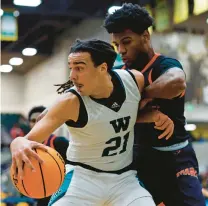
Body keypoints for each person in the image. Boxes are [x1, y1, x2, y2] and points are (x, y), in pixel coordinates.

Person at [10, 39, 173, 206]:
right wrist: (17, 142)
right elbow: (28, 139)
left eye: (79, 68)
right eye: (71, 68)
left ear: (102, 68)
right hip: (81, 178)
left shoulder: (134, 80)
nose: (72, 76)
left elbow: (128, 113)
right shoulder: (70, 102)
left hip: (124, 179)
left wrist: (154, 115)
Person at [104, 3, 206, 206]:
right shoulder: (120, 74)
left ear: (145, 36)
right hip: (141, 156)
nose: (121, 50)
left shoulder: (165, 65)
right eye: (117, 46)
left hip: (176, 155)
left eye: (126, 42)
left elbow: (176, 83)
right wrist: (145, 111)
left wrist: (140, 96)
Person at [28, 106, 69, 206]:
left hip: (60, 194)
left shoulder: (59, 142)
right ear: (29, 123)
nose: (36, 123)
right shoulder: (26, 147)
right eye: (33, 120)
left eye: (40, 119)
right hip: (40, 195)